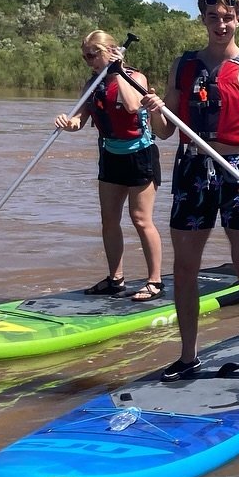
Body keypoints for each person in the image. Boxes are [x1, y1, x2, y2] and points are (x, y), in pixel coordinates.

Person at [142, 0, 239, 387]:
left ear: (238, 19)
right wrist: (154, 110)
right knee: (185, 269)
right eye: (214, 18)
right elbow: (163, 132)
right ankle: (188, 355)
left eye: (228, 17)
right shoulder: (183, 66)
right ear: (204, 20)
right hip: (191, 169)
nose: (221, 24)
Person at [53, 30, 163, 301]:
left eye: (94, 55)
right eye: (85, 57)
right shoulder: (92, 84)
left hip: (140, 155)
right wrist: (68, 124)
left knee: (140, 219)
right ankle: (116, 279)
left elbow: (131, 106)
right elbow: (79, 120)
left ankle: (154, 281)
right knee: (109, 220)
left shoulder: (135, 78)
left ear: (111, 51)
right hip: (110, 155)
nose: (89, 61)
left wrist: (116, 72)